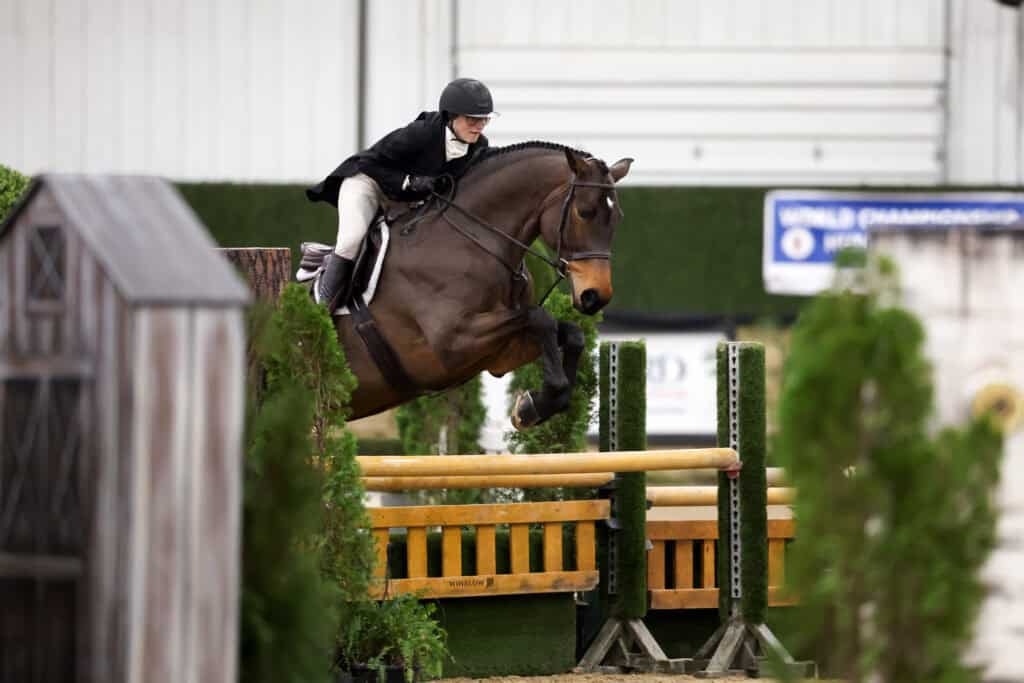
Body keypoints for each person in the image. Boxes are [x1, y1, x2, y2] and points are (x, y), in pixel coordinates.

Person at [306, 77, 498, 310]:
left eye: (484, 119)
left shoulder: (479, 146)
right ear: (450, 116)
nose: (479, 125)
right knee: (351, 239)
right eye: (472, 119)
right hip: (368, 183)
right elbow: (369, 162)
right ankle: (319, 309)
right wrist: (409, 181)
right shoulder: (421, 133)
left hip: (406, 200)